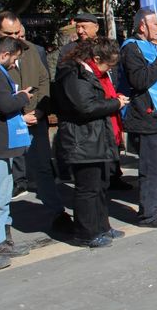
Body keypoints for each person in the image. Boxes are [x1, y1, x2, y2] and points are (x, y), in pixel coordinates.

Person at [0, 12, 72, 232]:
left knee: (43, 169)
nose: (16, 36)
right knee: (5, 179)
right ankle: (4, 229)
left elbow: (42, 83)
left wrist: (40, 111)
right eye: (8, 33)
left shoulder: (34, 51)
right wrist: (18, 115)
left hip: (34, 122)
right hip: (6, 126)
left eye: (18, 32)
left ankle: (57, 212)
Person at [54, 38, 131, 247]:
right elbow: (85, 107)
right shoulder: (74, 73)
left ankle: (101, 226)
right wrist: (115, 103)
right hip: (82, 139)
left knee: (100, 186)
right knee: (87, 188)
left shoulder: (90, 72)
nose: (110, 69)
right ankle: (85, 233)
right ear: (96, 58)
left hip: (96, 137)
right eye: (109, 64)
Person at [120, 10, 157, 228]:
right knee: (152, 168)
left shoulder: (150, 47)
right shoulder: (132, 48)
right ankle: (147, 215)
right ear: (142, 26)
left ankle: (152, 208)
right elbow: (140, 80)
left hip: (156, 115)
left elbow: (153, 74)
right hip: (145, 116)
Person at [0, 37, 33, 268]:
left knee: (4, 195)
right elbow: (4, 105)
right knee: (0, 196)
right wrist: (22, 97)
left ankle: (3, 242)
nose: (15, 65)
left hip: (4, 146)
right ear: (4, 55)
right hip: (0, 147)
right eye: (14, 60)